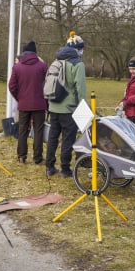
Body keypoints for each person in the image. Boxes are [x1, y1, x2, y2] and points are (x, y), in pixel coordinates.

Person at [45, 31, 86, 178]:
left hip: (53, 106)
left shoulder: (55, 61)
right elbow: (80, 88)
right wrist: (83, 107)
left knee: (53, 137)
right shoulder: (77, 64)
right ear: (78, 49)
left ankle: (49, 166)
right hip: (69, 108)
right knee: (68, 138)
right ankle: (65, 169)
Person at [9, 41, 48, 164]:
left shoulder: (17, 67)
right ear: (35, 53)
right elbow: (47, 85)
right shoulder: (42, 66)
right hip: (39, 103)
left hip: (24, 103)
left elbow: (12, 86)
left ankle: (21, 156)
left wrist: (19, 98)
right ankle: (37, 158)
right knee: (38, 131)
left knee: (22, 130)